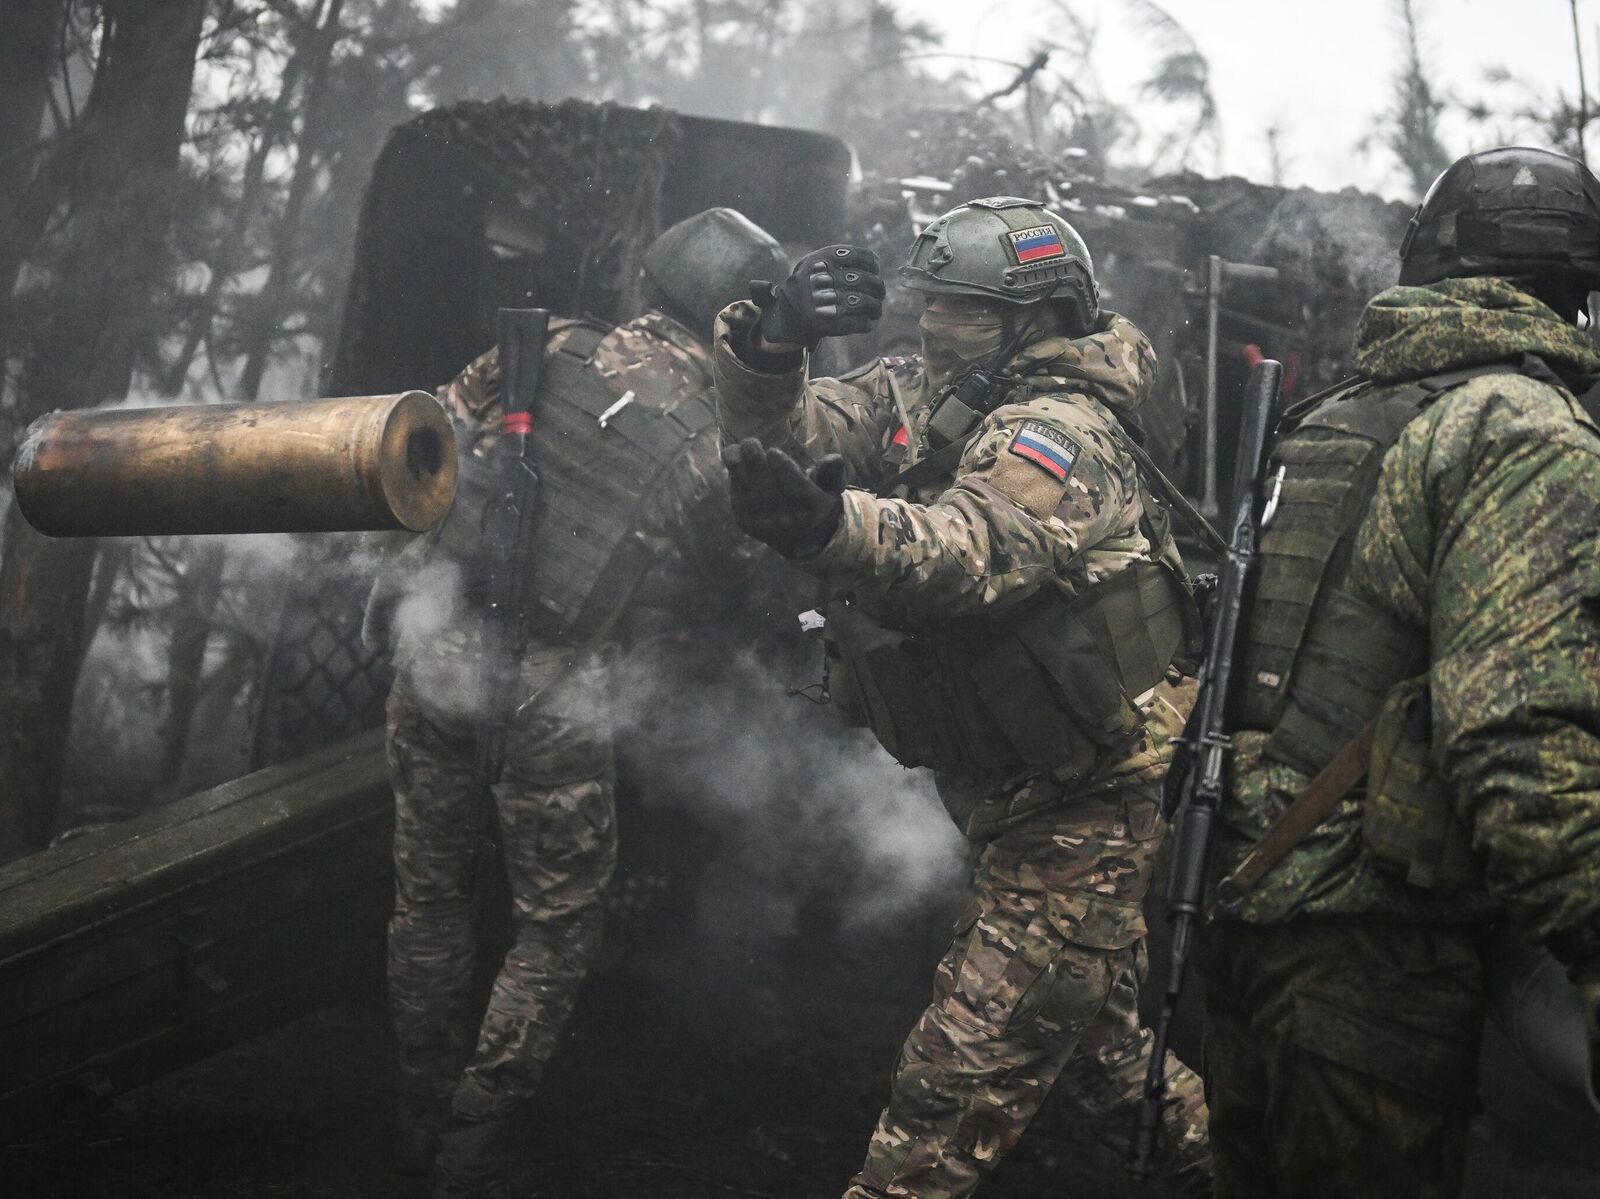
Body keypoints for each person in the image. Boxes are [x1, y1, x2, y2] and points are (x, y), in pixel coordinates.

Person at [713, 196, 1210, 1199]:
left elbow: (977, 549)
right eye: (933, 298)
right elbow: (798, 425)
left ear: (1031, 319)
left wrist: (828, 527)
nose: (934, 319)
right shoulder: (932, 390)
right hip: (1011, 793)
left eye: (963, 305)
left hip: (1086, 805)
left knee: (941, 1106)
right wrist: (775, 341)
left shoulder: (1062, 429)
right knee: (1113, 1073)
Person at [1196, 145, 1600, 1198]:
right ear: (1577, 291)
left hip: (1240, 908)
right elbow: (1518, 733)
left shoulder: (1329, 417)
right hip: (1371, 949)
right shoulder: (1525, 430)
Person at [362, 207, 790, 1198]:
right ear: (737, 317)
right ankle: (474, 1143)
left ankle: (418, 1107)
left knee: (426, 895)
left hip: (437, 649)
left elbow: (432, 433)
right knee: (554, 925)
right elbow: (736, 571)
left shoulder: (543, 344)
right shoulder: (704, 440)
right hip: (553, 691)